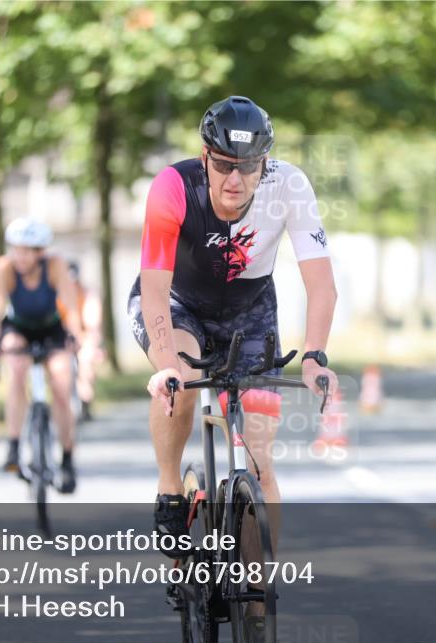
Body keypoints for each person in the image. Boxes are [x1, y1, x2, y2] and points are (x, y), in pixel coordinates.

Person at [128, 94, 339, 550]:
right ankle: (169, 487)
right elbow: (156, 293)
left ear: (265, 162)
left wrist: (315, 357)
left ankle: (260, 605)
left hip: (250, 313)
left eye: (249, 165)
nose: (235, 179)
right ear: (205, 158)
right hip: (178, 304)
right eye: (224, 165)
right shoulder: (173, 186)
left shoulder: (290, 186)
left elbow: (321, 285)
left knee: (261, 461)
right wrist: (165, 365)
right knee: (180, 383)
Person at [0, 217, 83, 493]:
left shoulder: (54, 265)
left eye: (27, 250)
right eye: (15, 248)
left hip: (51, 328)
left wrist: (75, 333)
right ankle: (14, 447)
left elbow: (69, 302)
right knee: (17, 369)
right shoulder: (5, 268)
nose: (20, 256)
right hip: (19, 328)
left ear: (40, 252)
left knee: (62, 384)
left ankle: (67, 459)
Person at [57, 261, 103, 420]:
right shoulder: (57, 296)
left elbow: (92, 322)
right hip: (62, 337)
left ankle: (85, 402)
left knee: (85, 363)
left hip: (84, 336)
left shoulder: (87, 295)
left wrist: (90, 339)